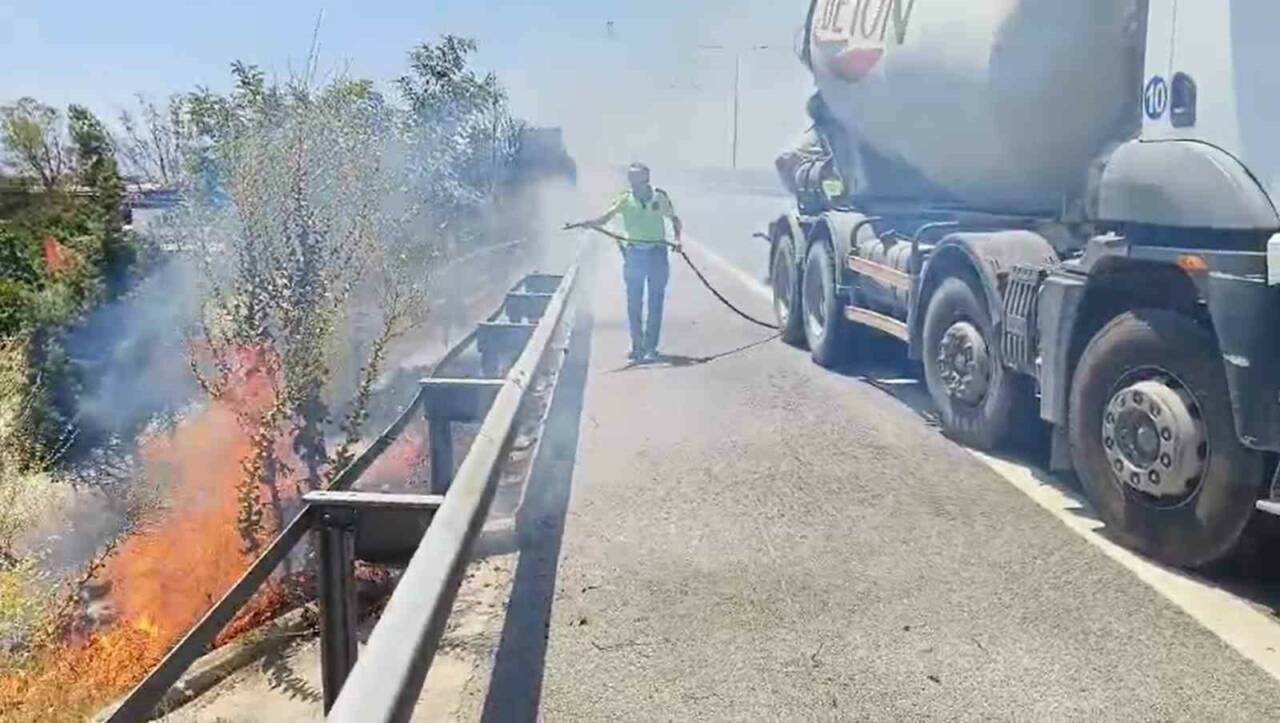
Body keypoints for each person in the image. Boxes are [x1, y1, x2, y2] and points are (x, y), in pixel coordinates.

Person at [568, 162, 683, 362]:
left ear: (646, 178)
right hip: (634, 254)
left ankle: (651, 347)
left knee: (655, 302)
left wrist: (677, 240)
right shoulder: (624, 199)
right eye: (631, 177)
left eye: (636, 177)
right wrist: (587, 223)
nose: (632, 181)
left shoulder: (660, 197)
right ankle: (638, 347)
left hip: (657, 253)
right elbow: (605, 218)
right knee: (634, 303)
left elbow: (674, 219)